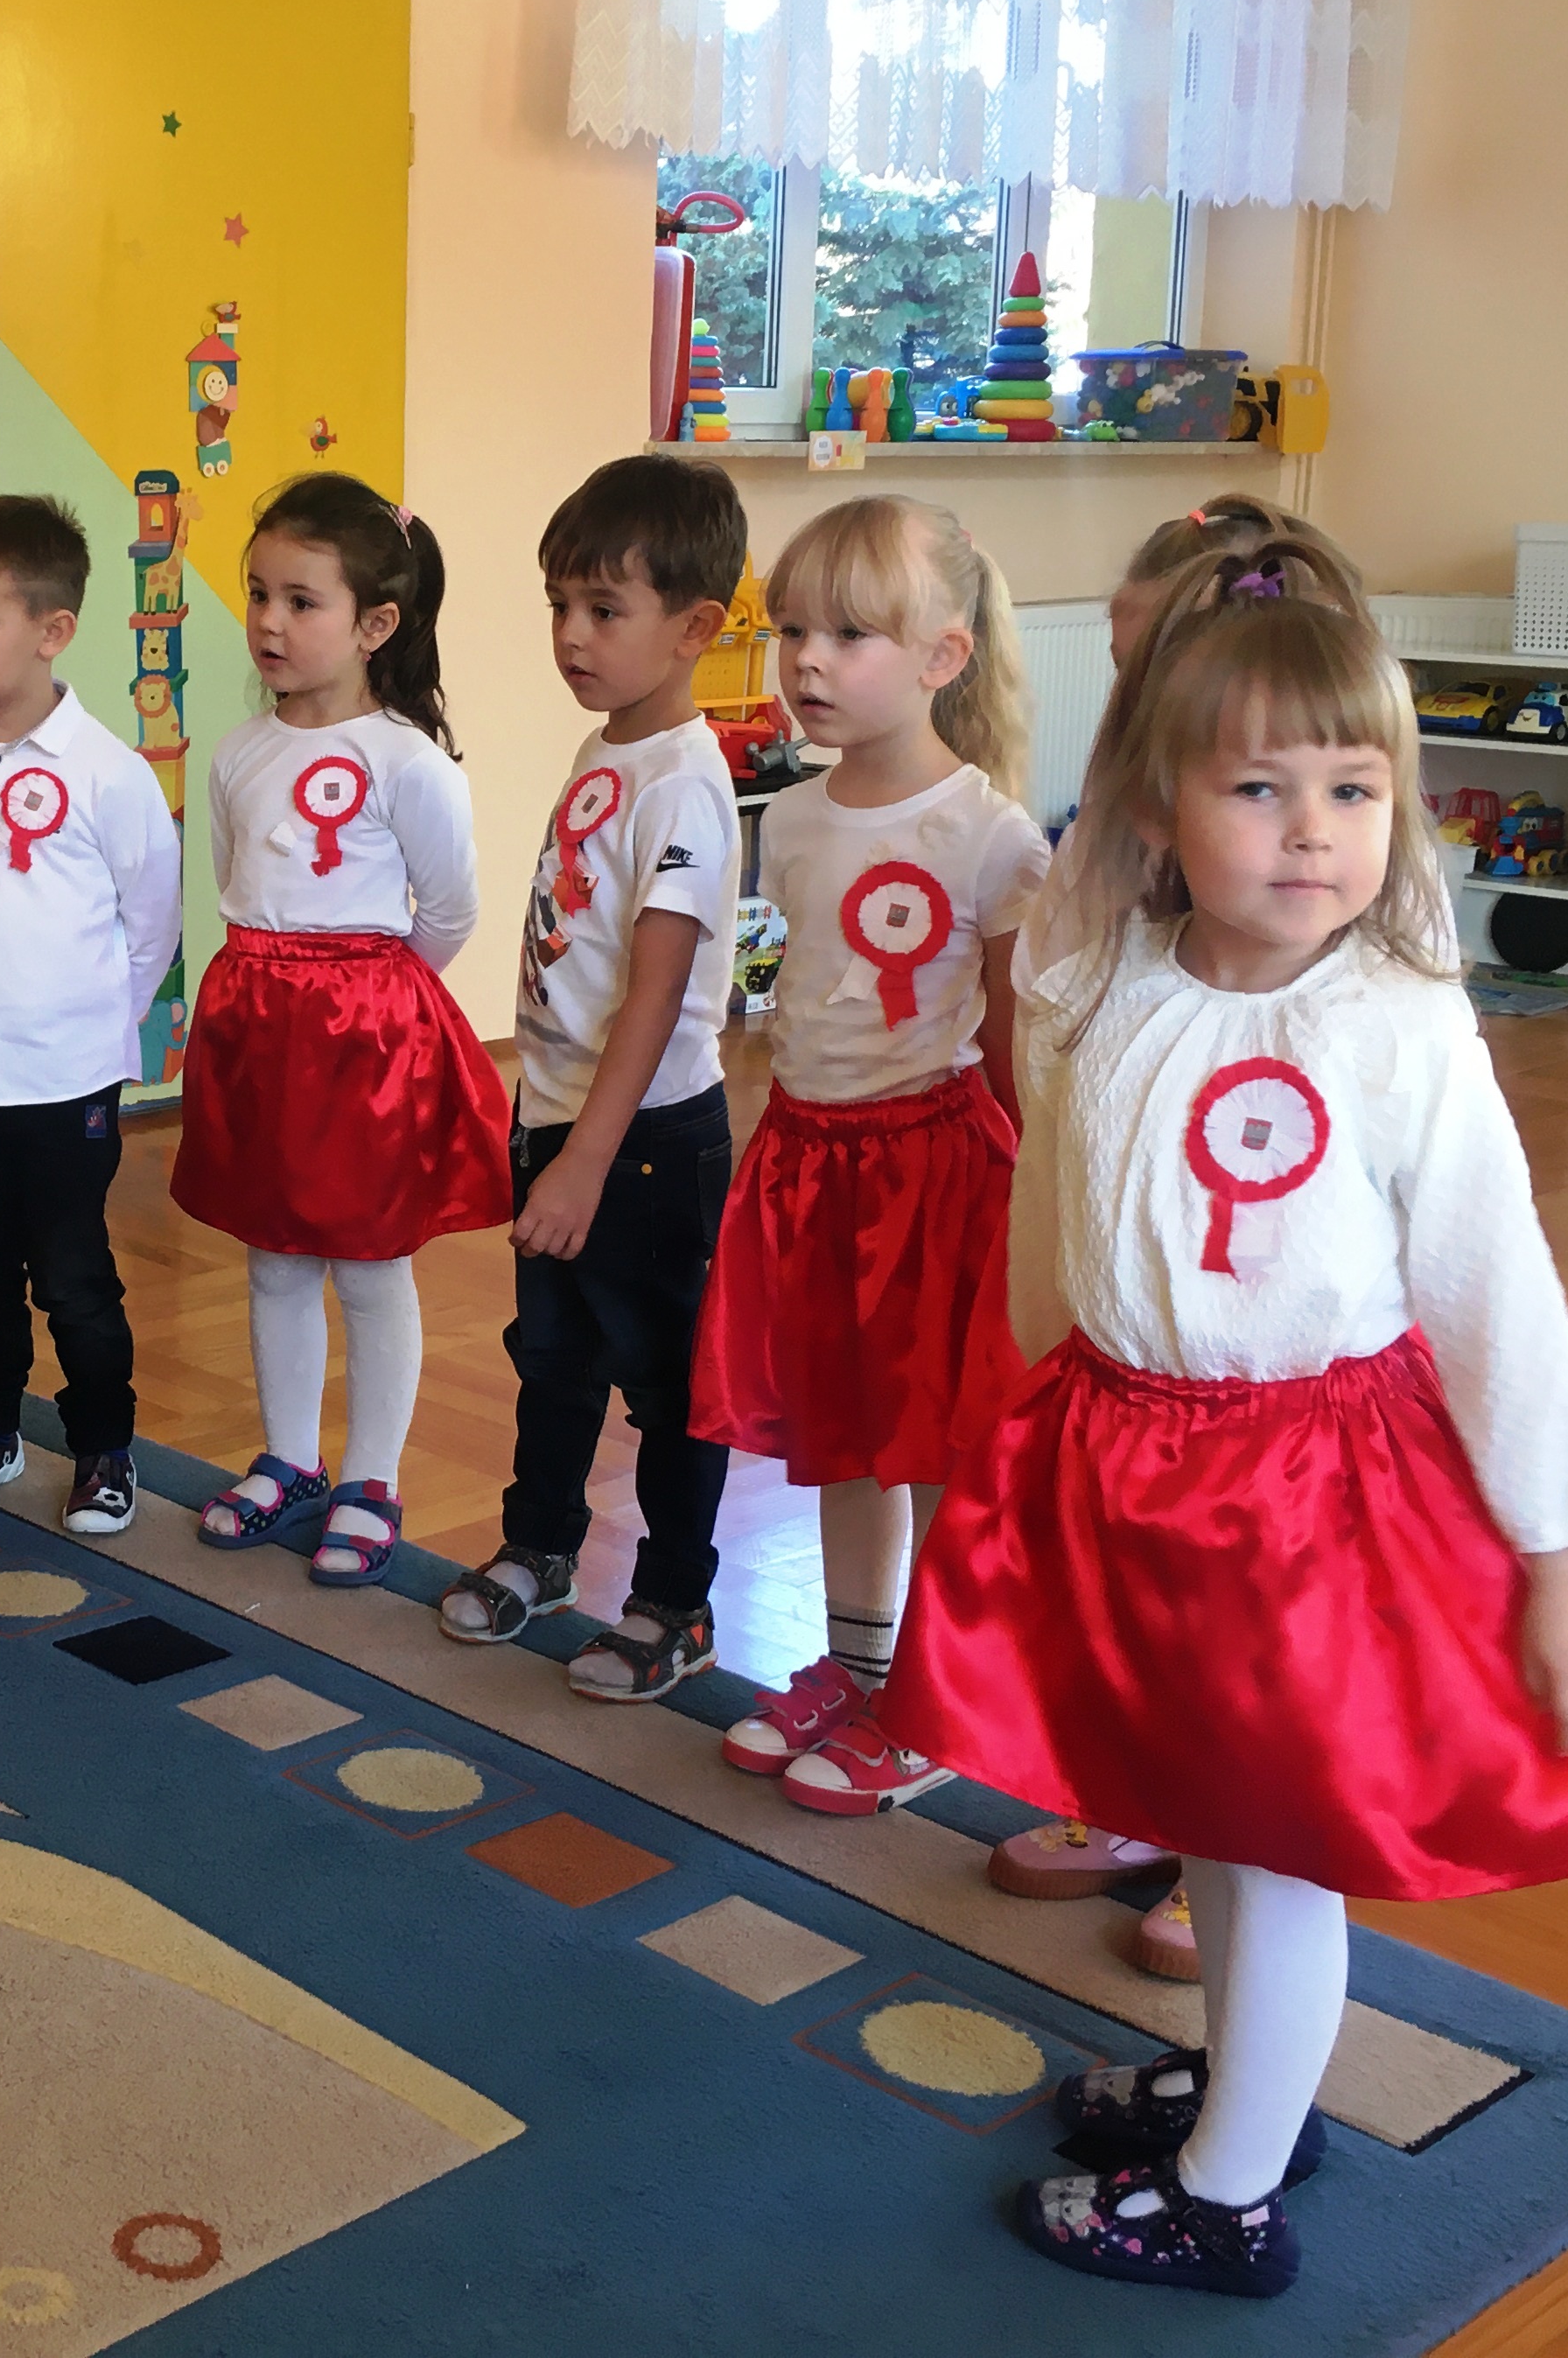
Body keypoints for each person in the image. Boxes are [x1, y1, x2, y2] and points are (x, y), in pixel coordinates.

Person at [884, 544, 1568, 2299]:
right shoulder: (1108, 980)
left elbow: (1498, 1296)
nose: (1312, 830)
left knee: (1274, 1849)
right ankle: (1244, 2090)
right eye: (1258, 788)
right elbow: (1061, 1209)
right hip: (1130, 1461)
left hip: (1307, 1502)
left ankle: (1226, 2193)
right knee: (1200, 1817)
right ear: (1158, 805)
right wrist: (1032, 1408)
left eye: (1353, 789)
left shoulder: (1402, 1025)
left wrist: (1567, 1556)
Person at [995, 490, 1372, 1913]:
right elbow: (1056, 1101)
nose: (1138, 699)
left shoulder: (1336, 927)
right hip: (1126, 1347)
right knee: (1130, 1606)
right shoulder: (1109, 865)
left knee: (1255, 1649)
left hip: (1280, 1377)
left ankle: (1231, 1849)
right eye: (1127, 666)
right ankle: (1142, 1801)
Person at [690, 496, 1042, 1812]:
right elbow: (788, 998)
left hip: (931, 1180)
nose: (808, 662)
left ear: (944, 656)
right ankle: (860, 1670)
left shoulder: (992, 836)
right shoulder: (787, 819)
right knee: (841, 1440)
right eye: (792, 632)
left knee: (929, 1450)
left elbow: (1016, 1050)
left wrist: (1035, 1214)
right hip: (810, 1163)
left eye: (850, 635)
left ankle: (939, 1703)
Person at [438, 455, 743, 1699]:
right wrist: (544, 1131)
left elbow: (656, 997)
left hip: (647, 1140)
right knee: (554, 1359)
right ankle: (541, 1548)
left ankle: (673, 1603)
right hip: (562, 1115)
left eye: (604, 610)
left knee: (670, 1386)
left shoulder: (686, 786)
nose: (571, 634)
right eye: (560, 603)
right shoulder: (606, 746)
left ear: (695, 628)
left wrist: (584, 1163)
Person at [174, 475, 504, 1584]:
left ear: (376, 624)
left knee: (368, 1267)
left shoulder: (409, 761)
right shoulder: (235, 753)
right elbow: (236, 881)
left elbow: (447, 913)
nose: (269, 621)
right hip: (257, 1029)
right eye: (259, 593)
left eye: (301, 601)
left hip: (363, 1042)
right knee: (274, 1258)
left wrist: (369, 1005)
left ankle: (372, 1478)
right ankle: (289, 1459)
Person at [0, 499, 183, 1532]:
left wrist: (92, 1039)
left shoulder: (109, 773)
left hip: (66, 1087)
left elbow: (150, 927)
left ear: (53, 630)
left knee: (74, 1278)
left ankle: (104, 1449)